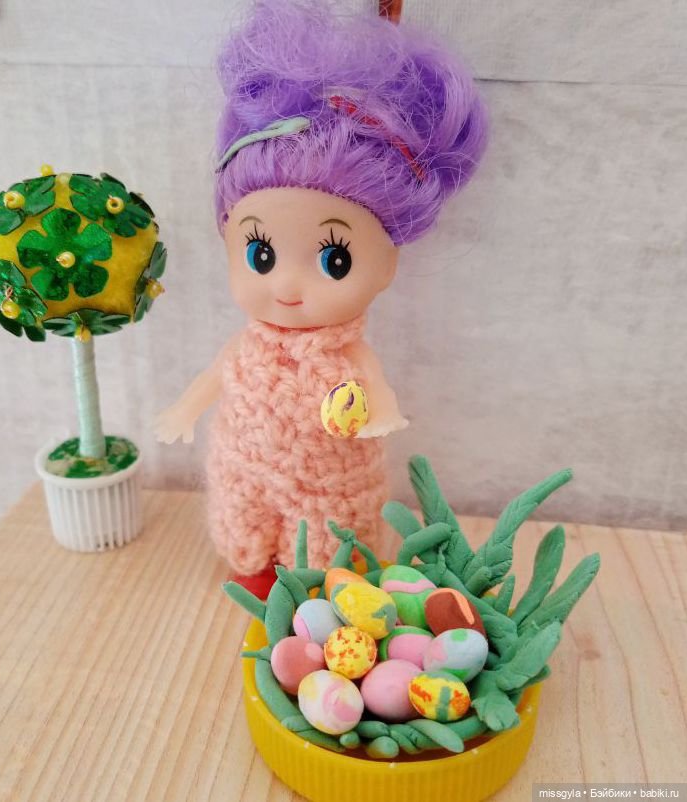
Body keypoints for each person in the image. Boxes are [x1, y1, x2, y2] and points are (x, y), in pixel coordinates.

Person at [156, 0, 487, 595]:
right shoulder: (251, 346)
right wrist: (185, 410)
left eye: (335, 261)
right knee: (243, 516)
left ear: (387, 264)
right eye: (261, 254)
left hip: (326, 476)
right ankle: (254, 567)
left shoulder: (345, 357)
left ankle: (315, 582)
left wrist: (380, 410)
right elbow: (219, 374)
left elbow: (373, 383)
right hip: (245, 464)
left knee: (328, 529)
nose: (287, 286)